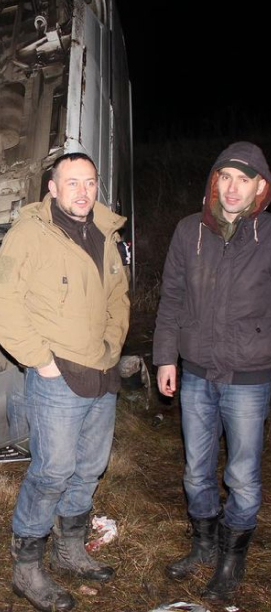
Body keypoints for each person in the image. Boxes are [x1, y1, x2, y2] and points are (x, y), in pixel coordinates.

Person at [0, 152, 130, 612]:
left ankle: (70, 551)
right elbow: (0, 301)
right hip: (57, 378)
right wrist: (40, 360)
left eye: (90, 182)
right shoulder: (30, 233)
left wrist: (113, 344)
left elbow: (118, 296)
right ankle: (26, 570)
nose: (83, 192)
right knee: (52, 473)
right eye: (72, 183)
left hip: (101, 373)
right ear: (52, 187)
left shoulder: (104, 231)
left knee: (89, 468)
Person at [153, 141, 271, 604]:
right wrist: (166, 357)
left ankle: (231, 558)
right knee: (196, 471)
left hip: (249, 376)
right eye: (225, 177)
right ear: (214, 183)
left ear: (260, 187)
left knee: (242, 475)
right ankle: (203, 545)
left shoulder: (268, 235)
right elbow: (172, 298)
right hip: (198, 372)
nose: (233, 188)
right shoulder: (189, 232)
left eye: (244, 179)